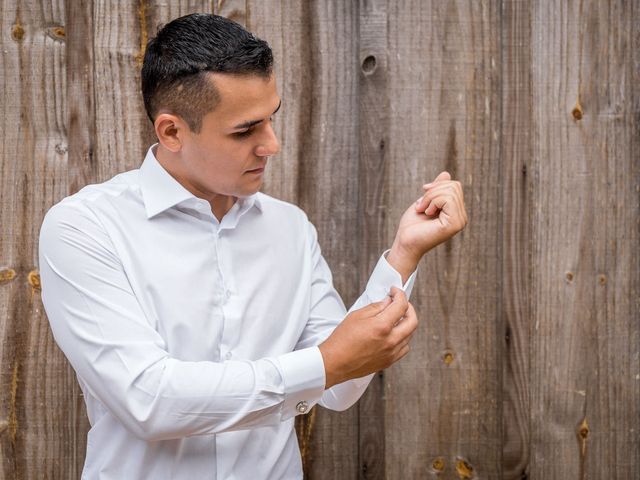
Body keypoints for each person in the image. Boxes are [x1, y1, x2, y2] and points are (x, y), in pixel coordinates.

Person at [38, 13, 467, 480]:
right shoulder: (85, 227)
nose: (272, 145)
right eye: (245, 131)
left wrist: (404, 254)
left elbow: (341, 385)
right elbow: (149, 401)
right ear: (172, 132)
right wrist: (324, 364)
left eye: (271, 119)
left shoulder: (290, 229)